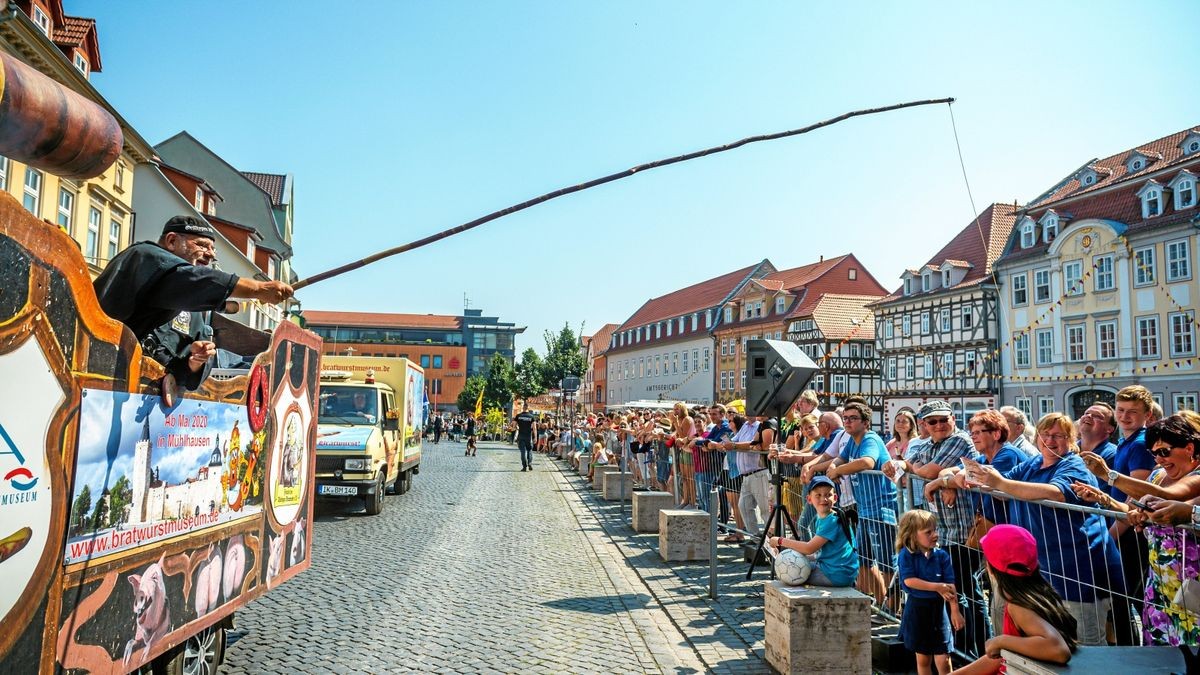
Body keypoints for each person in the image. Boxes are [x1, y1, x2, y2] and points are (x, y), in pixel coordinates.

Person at [966, 413, 1123, 646]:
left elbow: (1054, 492)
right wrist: (953, 476)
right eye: (1045, 435)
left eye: (1058, 435)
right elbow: (997, 480)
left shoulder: (1074, 464)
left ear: (1071, 439)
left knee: (1086, 648)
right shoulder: (1033, 463)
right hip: (1045, 573)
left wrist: (1000, 484)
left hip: (1078, 574)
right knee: (1053, 645)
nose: (1050, 441)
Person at [92, 215, 294, 390]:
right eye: (202, 245)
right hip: (97, 377)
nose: (211, 254)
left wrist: (195, 361)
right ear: (171, 241)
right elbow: (191, 279)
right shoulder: (144, 258)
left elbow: (185, 376)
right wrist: (258, 289)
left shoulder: (194, 305)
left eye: (213, 249)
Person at [1080, 414, 1200, 646]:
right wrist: (1109, 501)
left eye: (1164, 451)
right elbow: (1133, 509)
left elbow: (1171, 496)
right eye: (1154, 453)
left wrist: (1108, 475)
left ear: (1189, 448)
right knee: (1158, 657)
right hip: (1159, 585)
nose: (1159, 459)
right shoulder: (1157, 475)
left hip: (1192, 588)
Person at [889, 400, 986, 657]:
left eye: (944, 419)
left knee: (967, 593)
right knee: (957, 592)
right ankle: (963, 647)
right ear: (924, 425)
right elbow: (911, 466)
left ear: (953, 419)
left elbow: (927, 470)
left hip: (965, 531)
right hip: (945, 530)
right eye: (933, 421)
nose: (940, 425)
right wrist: (937, 477)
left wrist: (937, 478)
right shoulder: (929, 444)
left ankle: (977, 650)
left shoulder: (959, 440)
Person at [951, 524, 1077, 675]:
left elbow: (1058, 650)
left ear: (990, 568)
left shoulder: (1018, 607)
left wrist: (1000, 641)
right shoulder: (1037, 593)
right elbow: (1005, 657)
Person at [825, 401, 898, 606]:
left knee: (885, 562)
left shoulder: (870, 438)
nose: (847, 422)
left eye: (853, 418)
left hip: (881, 509)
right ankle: (879, 601)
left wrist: (838, 471)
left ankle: (893, 608)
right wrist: (833, 466)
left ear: (865, 422)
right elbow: (840, 458)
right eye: (845, 418)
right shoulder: (852, 440)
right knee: (864, 559)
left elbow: (867, 462)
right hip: (865, 508)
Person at [897, 509, 964, 675]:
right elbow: (909, 581)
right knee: (923, 659)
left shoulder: (942, 556)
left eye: (936, 530)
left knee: (943, 658)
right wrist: (936, 587)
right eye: (928, 532)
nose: (935, 535)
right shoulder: (906, 555)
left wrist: (955, 610)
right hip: (917, 610)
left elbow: (950, 584)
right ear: (912, 535)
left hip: (938, 610)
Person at [767, 476, 858, 587]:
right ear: (809, 499)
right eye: (818, 495)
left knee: (792, 574)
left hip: (837, 575)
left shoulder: (832, 521)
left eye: (828, 495)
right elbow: (818, 553)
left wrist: (780, 541)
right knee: (794, 564)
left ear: (835, 498)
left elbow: (809, 548)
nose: (823, 499)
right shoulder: (822, 518)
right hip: (833, 569)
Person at [514, 405, 536, 471]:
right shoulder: (532, 417)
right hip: (528, 436)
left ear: (522, 408)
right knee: (529, 450)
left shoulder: (518, 416)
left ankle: (524, 466)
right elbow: (534, 428)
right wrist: (535, 437)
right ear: (528, 408)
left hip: (521, 435)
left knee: (522, 451)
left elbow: (514, 426)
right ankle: (530, 463)